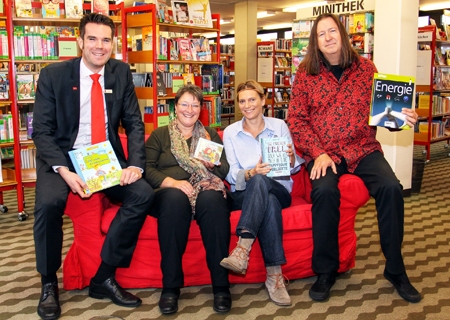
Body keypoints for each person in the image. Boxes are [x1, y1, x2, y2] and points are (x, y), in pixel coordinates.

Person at [288, 13, 421, 303]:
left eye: (332, 31)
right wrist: (318, 153)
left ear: (343, 34)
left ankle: (395, 270)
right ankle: (326, 270)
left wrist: (403, 118)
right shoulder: (305, 73)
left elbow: (384, 113)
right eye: (321, 34)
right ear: (316, 42)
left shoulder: (366, 68)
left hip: (363, 148)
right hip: (324, 153)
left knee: (391, 189)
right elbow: (296, 120)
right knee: (323, 193)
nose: (328, 37)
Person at [32, 13, 154, 320]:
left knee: (141, 193)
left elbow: (134, 123)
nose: (99, 47)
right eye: (92, 39)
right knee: (48, 204)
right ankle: (48, 283)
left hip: (103, 157)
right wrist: (64, 170)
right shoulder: (53, 75)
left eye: (105, 40)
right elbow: (42, 132)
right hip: (63, 157)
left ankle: (104, 276)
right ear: (80, 41)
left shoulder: (120, 72)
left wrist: (136, 166)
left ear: (113, 43)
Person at [145, 84, 232, 314]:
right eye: (184, 103)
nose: (189, 109)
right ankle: (171, 287)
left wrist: (215, 166)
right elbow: (146, 169)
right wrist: (172, 183)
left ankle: (221, 286)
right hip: (168, 193)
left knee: (213, 200)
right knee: (175, 199)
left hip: (204, 188)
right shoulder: (160, 135)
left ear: (201, 109)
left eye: (194, 105)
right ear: (175, 107)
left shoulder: (209, 135)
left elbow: (224, 172)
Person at [220, 80, 304, 306]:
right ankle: (275, 277)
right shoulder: (230, 132)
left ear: (263, 101)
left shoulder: (279, 126)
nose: (247, 105)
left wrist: (292, 159)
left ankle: (242, 249)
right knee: (261, 187)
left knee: (265, 185)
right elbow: (231, 174)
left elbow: (295, 166)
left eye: (252, 99)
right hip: (245, 194)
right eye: (242, 101)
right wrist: (251, 173)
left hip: (280, 188)